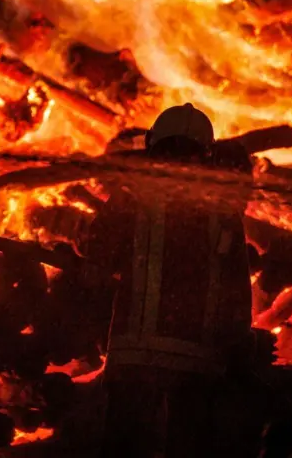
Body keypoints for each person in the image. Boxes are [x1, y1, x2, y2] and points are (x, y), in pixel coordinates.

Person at [87, 103, 255, 458]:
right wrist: (237, 353)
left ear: (152, 145)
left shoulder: (132, 197)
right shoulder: (222, 210)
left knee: (123, 450)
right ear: (206, 153)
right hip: (198, 363)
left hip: (134, 359)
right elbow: (238, 293)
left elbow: (97, 257)